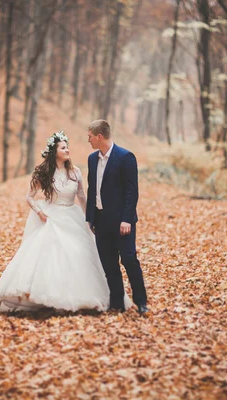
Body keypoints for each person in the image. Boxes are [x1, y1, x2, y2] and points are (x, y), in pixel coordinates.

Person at [0, 131, 118, 312]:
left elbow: (81, 196)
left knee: (79, 253)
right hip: (53, 217)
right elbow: (30, 197)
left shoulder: (75, 172)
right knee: (53, 256)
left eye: (67, 147)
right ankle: (50, 296)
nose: (67, 150)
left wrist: (91, 218)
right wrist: (39, 212)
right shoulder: (44, 173)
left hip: (73, 217)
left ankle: (81, 296)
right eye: (63, 147)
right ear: (54, 151)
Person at [86, 120, 149, 315]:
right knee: (109, 263)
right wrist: (91, 218)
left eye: (90, 137)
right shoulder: (91, 159)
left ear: (99, 137)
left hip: (122, 222)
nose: (88, 140)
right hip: (101, 221)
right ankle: (117, 303)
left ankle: (141, 301)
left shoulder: (125, 157)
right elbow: (92, 189)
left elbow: (132, 192)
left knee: (129, 259)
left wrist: (127, 219)